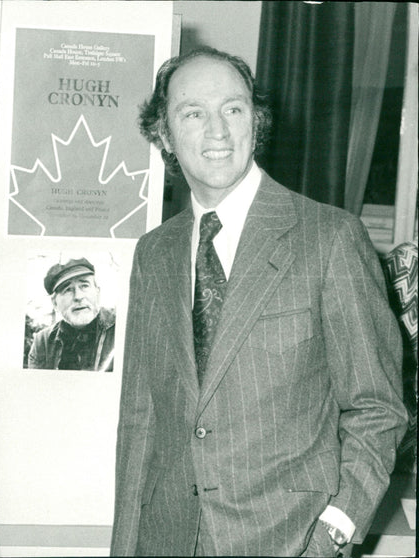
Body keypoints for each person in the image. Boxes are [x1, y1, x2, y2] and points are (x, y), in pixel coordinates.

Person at [111, 47, 407, 557]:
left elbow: (377, 409)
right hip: (167, 539)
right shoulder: (152, 253)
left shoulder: (329, 237)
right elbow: (140, 422)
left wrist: (333, 531)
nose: (218, 131)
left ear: (256, 120)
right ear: (164, 134)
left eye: (233, 108)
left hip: (290, 539)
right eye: (193, 113)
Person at [27, 258, 115, 371]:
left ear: (97, 293)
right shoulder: (43, 342)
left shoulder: (121, 330)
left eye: (84, 286)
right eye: (68, 290)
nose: (78, 296)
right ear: (55, 303)